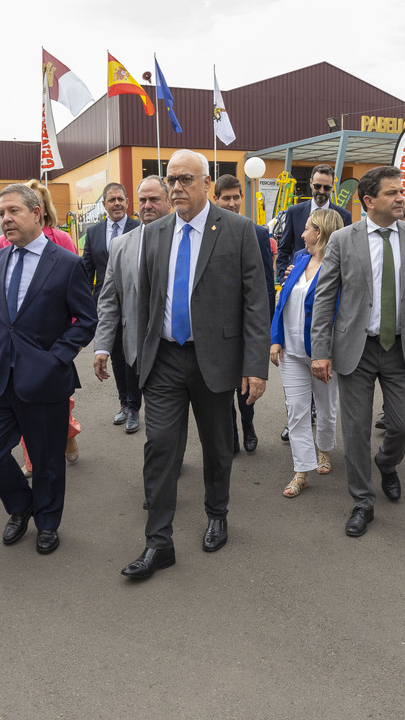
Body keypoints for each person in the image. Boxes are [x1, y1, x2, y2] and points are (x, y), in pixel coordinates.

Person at [120, 149, 270, 580]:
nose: (177, 187)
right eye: (172, 179)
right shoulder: (154, 232)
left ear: (207, 183)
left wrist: (255, 365)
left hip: (216, 361)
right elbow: (145, 299)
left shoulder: (239, 231)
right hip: (165, 358)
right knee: (161, 446)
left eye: (186, 179)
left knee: (218, 446)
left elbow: (256, 304)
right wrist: (138, 354)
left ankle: (216, 512)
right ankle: (158, 542)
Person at [310, 166, 405, 537]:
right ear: (369, 201)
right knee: (355, 429)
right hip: (355, 348)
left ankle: (387, 464)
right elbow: (324, 298)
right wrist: (319, 351)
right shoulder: (343, 239)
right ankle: (362, 501)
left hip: (401, 346)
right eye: (392, 193)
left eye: (401, 192)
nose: (400, 198)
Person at [0, 184, 97, 555]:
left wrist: (56, 357)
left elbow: (86, 320)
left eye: (13, 211)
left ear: (37, 214)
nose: (6, 219)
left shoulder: (67, 263)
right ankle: (20, 505)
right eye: (1, 214)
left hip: (44, 379)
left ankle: (47, 522)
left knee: (46, 461)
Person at [271, 208, 343, 497]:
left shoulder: (339, 268)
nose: (302, 234)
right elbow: (283, 301)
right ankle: (301, 471)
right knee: (297, 412)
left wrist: (324, 353)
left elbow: (338, 312)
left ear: (322, 232)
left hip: (321, 353)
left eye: (308, 229)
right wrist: (275, 339)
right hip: (290, 351)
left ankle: (324, 448)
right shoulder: (300, 260)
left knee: (325, 408)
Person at [93, 176, 172, 435]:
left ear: (169, 201)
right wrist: (102, 346)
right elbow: (108, 300)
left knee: (175, 420)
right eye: (143, 200)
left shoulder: (187, 241)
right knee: (161, 429)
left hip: (181, 350)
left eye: (154, 199)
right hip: (137, 348)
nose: (147, 205)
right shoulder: (120, 245)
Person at [213, 174, 277, 453]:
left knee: (246, 385)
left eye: (236, 197)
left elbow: (265, 286)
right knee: (220, 389)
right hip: (215, 327)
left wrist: (268, 330)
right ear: (215, 199)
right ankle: (230, 436)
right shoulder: (206, 233)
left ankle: (248, 426)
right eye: (225, 198)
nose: (231, 203)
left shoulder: (258, 233)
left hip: (245, 327)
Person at [82, 182, 140, 427]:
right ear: (104, 204)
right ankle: (124, 403)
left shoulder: (140, 228)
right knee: (114, 356)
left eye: (120, 199)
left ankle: (135, 408)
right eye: (111, 200)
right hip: (105, 307)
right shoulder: (94, 233)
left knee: (131, 357)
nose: (117, 203)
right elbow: (86, 270)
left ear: (127, 202)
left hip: (133, 304)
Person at [275, 164, 352, 280]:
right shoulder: (294, 212)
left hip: (330, 281)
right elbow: (284, 249)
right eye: (317, 186)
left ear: (332, 187)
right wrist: (283, 279)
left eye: (326, 188)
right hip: (298, 279)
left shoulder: (344, 216)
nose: (321, 191)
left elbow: (347, 252)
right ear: (311, 183)